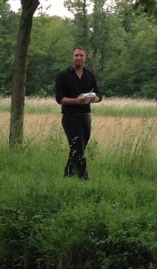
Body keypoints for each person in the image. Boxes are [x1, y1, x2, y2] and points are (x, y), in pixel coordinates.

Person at [54, 47, 102, 180]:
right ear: (72, 58)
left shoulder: (89, 75)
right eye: (76, 55)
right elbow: (59, 99)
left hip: (85, 116)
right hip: (70, 116)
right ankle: (84, 178)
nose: (78, 58)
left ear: (85, 58)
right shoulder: (63, 75)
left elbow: (99, 95)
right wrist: (76, 100)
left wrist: (93, 99)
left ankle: (68, 175)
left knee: (78, 149)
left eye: (81, 56)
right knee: (78, 148)